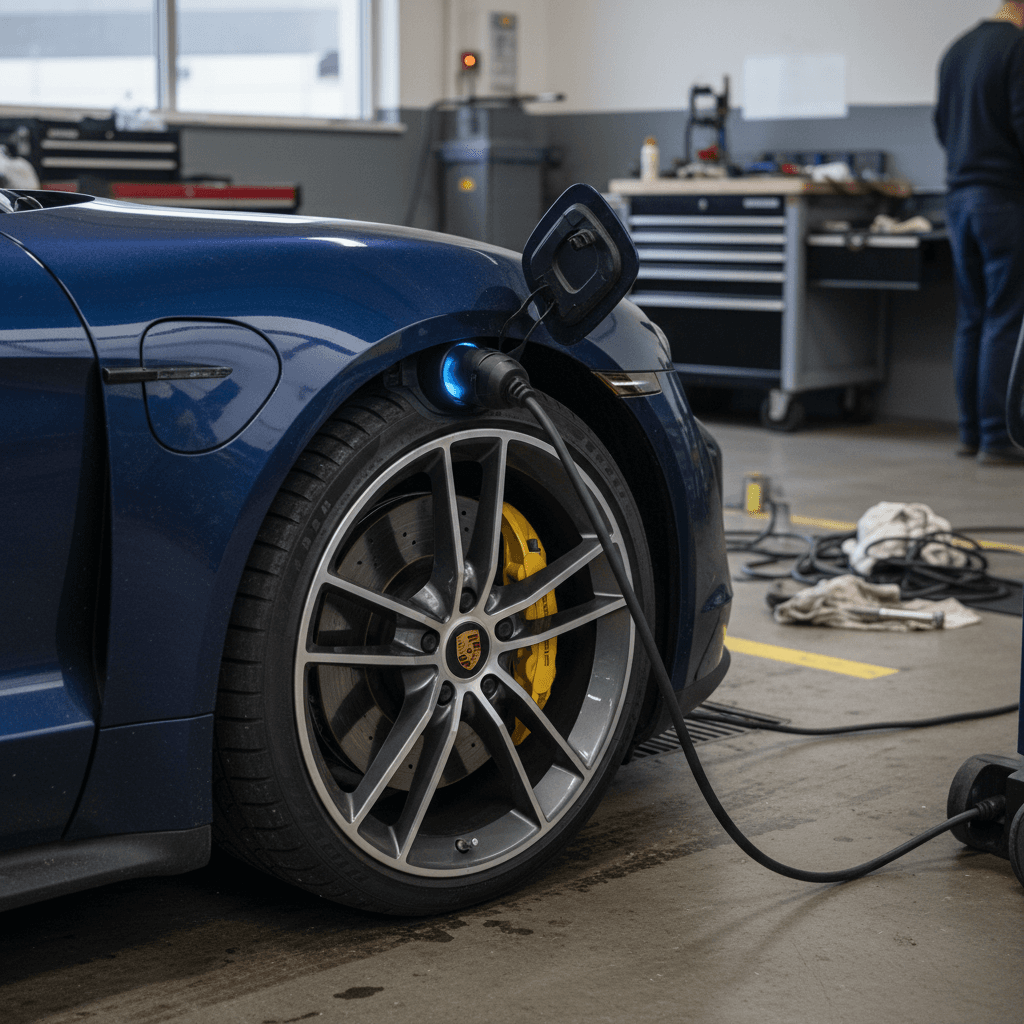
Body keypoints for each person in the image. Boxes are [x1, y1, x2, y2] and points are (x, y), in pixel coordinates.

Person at [935, 2, 1024, 464]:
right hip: (1004, 201)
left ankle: (970, 432)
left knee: (972, 318)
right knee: (1005, 316)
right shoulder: (1018, 48)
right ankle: (998, 437)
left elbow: (941, 127)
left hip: (958, 198)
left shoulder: (958, 49)